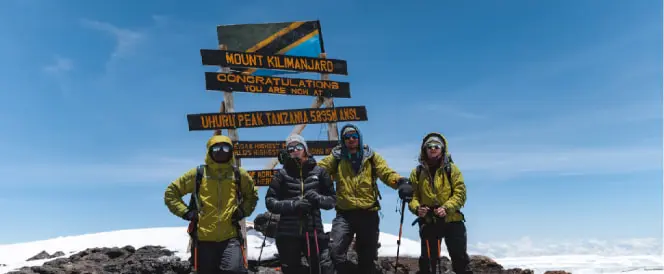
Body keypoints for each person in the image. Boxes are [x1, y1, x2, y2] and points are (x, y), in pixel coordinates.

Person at [318, 123, 414, 274]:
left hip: (368, 213)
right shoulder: (336, 157)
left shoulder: (371, 157)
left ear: (359, 138)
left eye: (354, 136)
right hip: (345, 214)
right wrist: (304, 178)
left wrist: (400, 182)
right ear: (343, 140)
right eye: (347, 137)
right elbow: (319, 170)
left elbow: (386, 172)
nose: (351, 139)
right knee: (335, 251)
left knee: (367, 258)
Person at [164, 134, 259, 274]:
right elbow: (171, 193)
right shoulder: (198, 174)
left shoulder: (238, 174)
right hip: (203, 239)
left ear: (231, 152)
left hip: (230, 237)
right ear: (209, 151)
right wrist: (186, 213)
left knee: (233, 270)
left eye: (226, 148)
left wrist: (242, 212)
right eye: (217, 148)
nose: (221, 151)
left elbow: (252, 195)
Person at [265, 134, 336, 274]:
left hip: (314, 232)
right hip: (287, 233)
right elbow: (270, 202)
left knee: (322, 270)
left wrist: (317, 198)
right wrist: (294, 205)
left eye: (298, 146)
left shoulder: (320, 172)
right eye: (290, 149)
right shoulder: (282, 174)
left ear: (305, 148)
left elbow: (332, 200)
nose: (295, 150)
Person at [407, 132, 471, 274]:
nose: (433, 148)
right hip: (429, 221)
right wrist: (417, 209)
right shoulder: (417, 172)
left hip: (452, 220)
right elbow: (413, 196)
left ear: (442, 149)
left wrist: (446, 208)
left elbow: (460, 193)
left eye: (437, 146)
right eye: (430, 146)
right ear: (425, 149)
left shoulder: (452, 170)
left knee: (460, 260)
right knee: (428, 263)